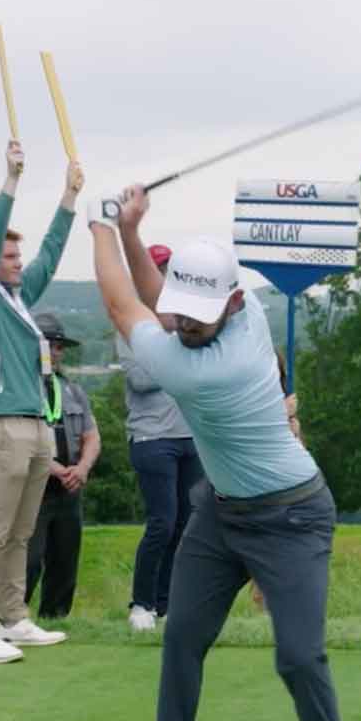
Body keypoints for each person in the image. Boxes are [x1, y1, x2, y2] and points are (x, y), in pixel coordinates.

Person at [89, 184, 361, 721]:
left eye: (198, 313)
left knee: (299, 656)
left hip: (294, 516)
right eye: (181, 310)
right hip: (220, 515)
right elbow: (158, 300)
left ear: (232, 302)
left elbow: (121, 301)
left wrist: (103, 225)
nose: (183, 323)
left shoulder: (199, 370)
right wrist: (136, 233)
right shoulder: (244, 314)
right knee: (183, 637)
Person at [0, 139, 82, 663]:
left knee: (22, 532)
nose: (17, 262)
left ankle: (14, 618)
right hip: (1, 426)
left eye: (15, 255)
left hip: (35, 426)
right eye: (7, 255)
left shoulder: (19, 300)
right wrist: (11, 182)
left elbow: (49, 252)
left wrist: (68, 197)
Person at [114, 242, 204, 632]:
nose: (162, 276)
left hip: (189, 436)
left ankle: (166, 605)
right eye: (157, 269)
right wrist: (180, 359)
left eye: (167, 269)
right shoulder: (133, 324)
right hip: (152, 438)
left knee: (185, 523)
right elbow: (140, 378)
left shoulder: (182, 321)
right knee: (162, 523)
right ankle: (142, 603)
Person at [23, 312, 101, 620]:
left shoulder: (72, 390)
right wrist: (54, 468)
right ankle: (13, 619)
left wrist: (81, 468)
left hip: (70, 487)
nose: (57, 352)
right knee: (28, 560)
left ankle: (55, 619)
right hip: (36, 485)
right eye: (51, 346)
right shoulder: (23, 388)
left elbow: (92, 436)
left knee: (65, 560)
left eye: (59, 347)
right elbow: (23, 440)